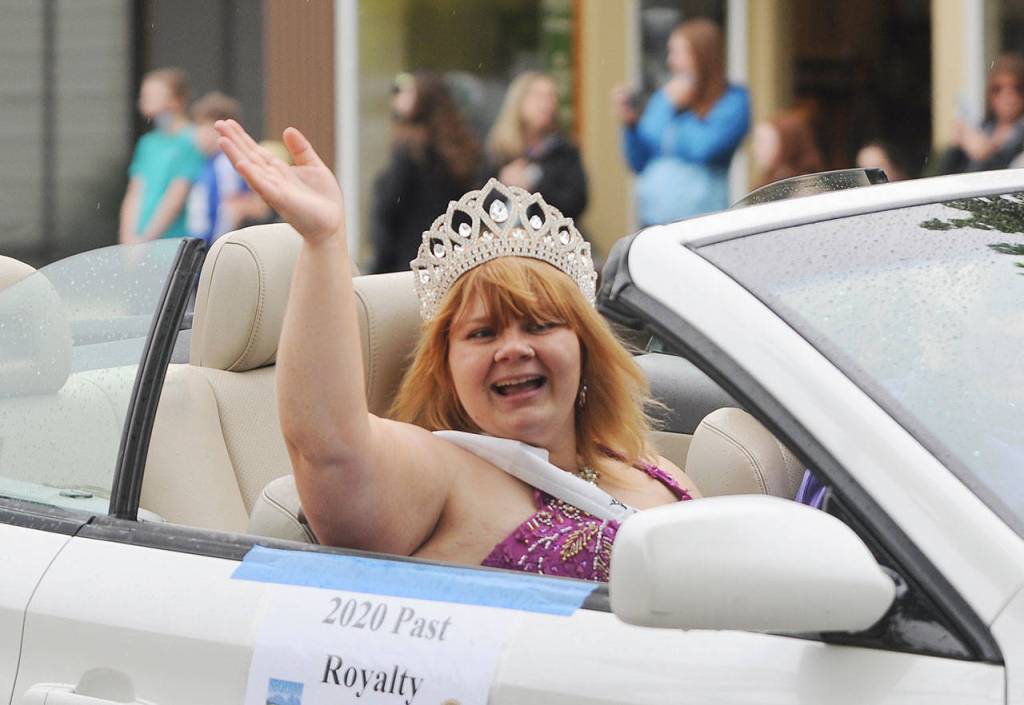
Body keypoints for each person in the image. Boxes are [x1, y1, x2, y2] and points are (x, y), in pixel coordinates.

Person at [214, 119, 702, 582]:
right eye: (482, 334)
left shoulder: (647, 463)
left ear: (585, 348)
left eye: (539, 325)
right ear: (446, 369)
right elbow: (328, 447)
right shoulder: (444, 473)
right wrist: (323, 243)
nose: (513, 349)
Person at [613, 18, 750, 225]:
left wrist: (675, 112)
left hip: (702, 222)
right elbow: (639, 161)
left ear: (703, 55)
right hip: (652, 221)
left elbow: (704, 148)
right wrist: (631, 126)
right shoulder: (666, 98)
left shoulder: (732, 100)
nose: (671, 61)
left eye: (678, 53)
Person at [370, 72, 481, 273]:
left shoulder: (411, 151)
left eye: (406, 91)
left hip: (412, 264)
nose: (397, 97)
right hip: (455, 262)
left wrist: (379, 268)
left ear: (421, 99)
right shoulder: (461, 148)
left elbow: (388, 212)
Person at [118, 68, 206, 244]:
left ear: (177, 101)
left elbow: (175, 197)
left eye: (154, 96)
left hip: (171, 242)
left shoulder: (192, 140)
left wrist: (144, 241)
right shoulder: (148, 143)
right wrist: (127, 241)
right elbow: (135, 193)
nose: (144, 101)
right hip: (138, 241)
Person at [486, 71, 588, 221]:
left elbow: (576, 203)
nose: (547, 103)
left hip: (550, 240)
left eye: (552, 96)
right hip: (505, 240)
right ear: (519, 101)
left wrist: (534, 186)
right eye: (539, 96)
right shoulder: (499, 149)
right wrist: (501, 187)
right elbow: (477, 205)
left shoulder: (564, 150)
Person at [186, 91, 271, 247]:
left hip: (215, 245)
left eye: (202, 128)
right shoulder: (208, 163)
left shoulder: (225, 164)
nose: (197, 135)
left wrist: (218, 246)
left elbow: (230, 208)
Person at [939, 53, 1024, 174]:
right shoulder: (984, 128)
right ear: (990, 94)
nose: (1007, 96)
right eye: (998, 89)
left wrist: (985, 154)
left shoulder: (1020, 134)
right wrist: (956, 147)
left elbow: (1004, 177)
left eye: (1016, 88)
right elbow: (946, 174)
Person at [751, 107, 824, 188]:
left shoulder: (806, 186)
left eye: (763, 142)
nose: (757, 149)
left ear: (787, 145)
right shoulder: (768, 181)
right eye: (757, 141)